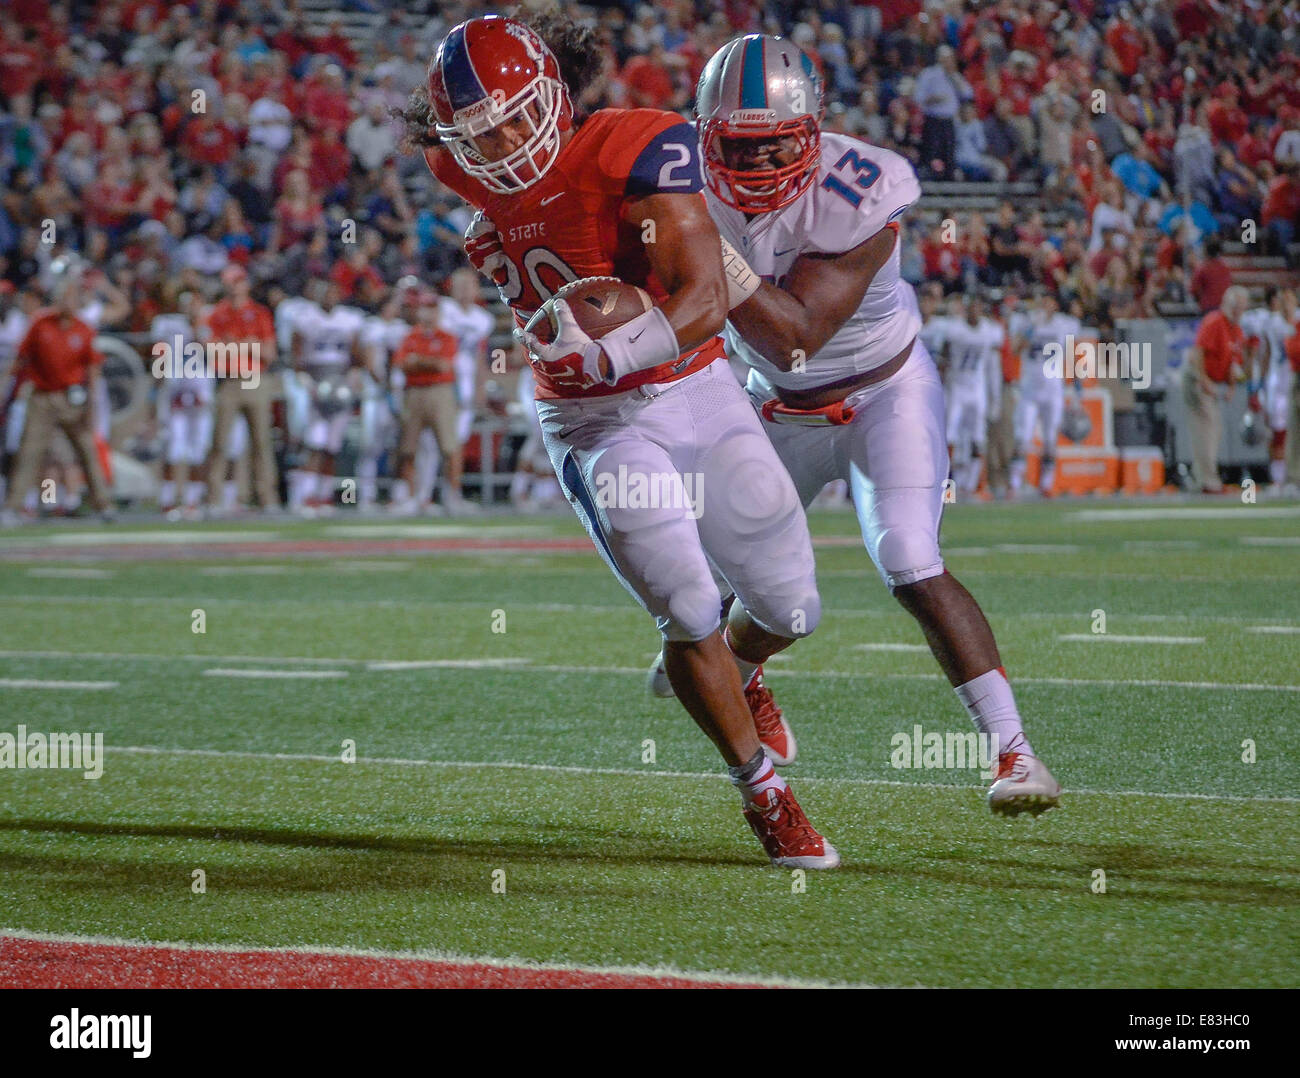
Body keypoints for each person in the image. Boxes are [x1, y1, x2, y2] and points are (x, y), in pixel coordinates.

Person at [404, 13, 836, 868]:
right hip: (592, 421)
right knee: (686, 607)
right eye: (480, 133)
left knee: (792, 607)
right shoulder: (454, 163)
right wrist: (588, 369)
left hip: (693, 384)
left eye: (517, 119)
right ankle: (763, 792)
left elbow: (706, 295)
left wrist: (611, 349)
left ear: (554, 96)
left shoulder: (631, 146)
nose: (502, 145)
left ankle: (745, 672)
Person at [680, 33, 1059, 816]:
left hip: (883, 392)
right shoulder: (678, 181)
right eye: (737, 148)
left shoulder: (864, 186)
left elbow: (795, 334)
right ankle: (744, 673)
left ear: (812, 134)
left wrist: (702, 244)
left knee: (911, 560)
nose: (755, 167)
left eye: (773, 145)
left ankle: (1015, 752)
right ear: (707, 136)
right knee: (754, 590)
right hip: (772, 403)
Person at [0, 257, 113, 524]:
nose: (67, 302)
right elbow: (20, 360)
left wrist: (91, 406)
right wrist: (5, 387)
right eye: (64, 296)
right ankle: (13, 506)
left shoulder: (84, 329)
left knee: (87, 450)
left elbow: (93, 372)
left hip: (73, 397)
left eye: (72, 297)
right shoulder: (41, 324)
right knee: (30, 451)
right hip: (42, 397)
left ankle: (103, 504)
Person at [203, 265, 278, 513]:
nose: (233, 287)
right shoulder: (218, 314)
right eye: (229, 282)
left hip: (254, 379)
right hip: (229, 380)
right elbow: (211, 350)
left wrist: (237, 346)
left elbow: (268, 352)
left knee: (261, 442)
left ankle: (267, 497)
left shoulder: (258, 313)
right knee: (219, 442)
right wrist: (247, 346)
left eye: (237, 281)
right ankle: (214, 498)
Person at [289, 279, 365, 513]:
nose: (330, 297)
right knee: (314, 442)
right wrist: (306, 382)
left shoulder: (349, 319)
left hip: (339, 381)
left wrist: (352, 378)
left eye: (334, 292)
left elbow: (356, 357)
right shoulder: (305, 318)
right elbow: (296, 356)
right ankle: (304, 495)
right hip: (314, 381)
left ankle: (323, 496)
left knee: (332, 445)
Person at [390, 297, 461, 515]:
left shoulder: (447, 336)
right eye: (424, 309)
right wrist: (428, 363)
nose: (428, 314)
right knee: (409, 447)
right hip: (414, 392)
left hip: (441, 391)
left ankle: (452, 497)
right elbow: (402, 364)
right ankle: (411, 497)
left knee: (450, 447)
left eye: (432, 309)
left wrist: (418, 362)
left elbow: (444, 365)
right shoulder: (409, 335)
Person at [1009, 290, 1082, 498]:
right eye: (1042, 300)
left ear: (1056, 305)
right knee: (1022, 439)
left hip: (1053, 390)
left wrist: (1077, 386)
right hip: (1029, 390)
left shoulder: (1065, 324)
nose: (1044, 304)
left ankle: (1046, 484)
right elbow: (1015, 349)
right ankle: (1014, 484)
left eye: (1048, 300)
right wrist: (1032, 329)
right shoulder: (1026, 322)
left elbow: (1072, 355)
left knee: (1050, 439)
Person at [1183, 285, 1249, 494]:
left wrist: (1230, 386)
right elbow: (1198, 352)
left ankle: (1202, 477)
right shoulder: (1214, 321)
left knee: (1213, 429)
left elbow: (1233, 361)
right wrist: (1203, 380)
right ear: (1227, 305)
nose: (1239, 311)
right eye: (1236, 306)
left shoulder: (1236, 330)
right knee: (1207, 427)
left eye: (1242, 307)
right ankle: (1208, 480)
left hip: (1213, 381)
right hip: (1197, 377)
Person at [941, 294, 1003, 497]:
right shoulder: (955, 329)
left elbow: (993, 366)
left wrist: (995, 396)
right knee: (949, 436)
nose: (974, 311)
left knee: (977, 438)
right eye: (971, 307)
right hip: (957, 387)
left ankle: (976, 485)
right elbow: (944, 359)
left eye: (978, 307)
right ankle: (948, 488)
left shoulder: (989, 331)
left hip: (977, 389)